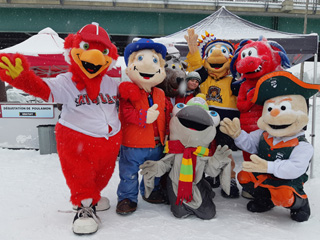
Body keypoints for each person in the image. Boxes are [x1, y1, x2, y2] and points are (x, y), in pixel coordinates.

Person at [116, 38, 170, 215]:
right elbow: (125, 113)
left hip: (157, 142)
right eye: (139, 59)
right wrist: (143, 116)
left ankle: (150, 191)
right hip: (133, 143)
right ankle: (127, 198)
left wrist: (169, 132)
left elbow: (166, 114)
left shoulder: (160, 93)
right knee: (129, 173)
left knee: (153, 171)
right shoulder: (127, 89)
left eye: (155, 61)